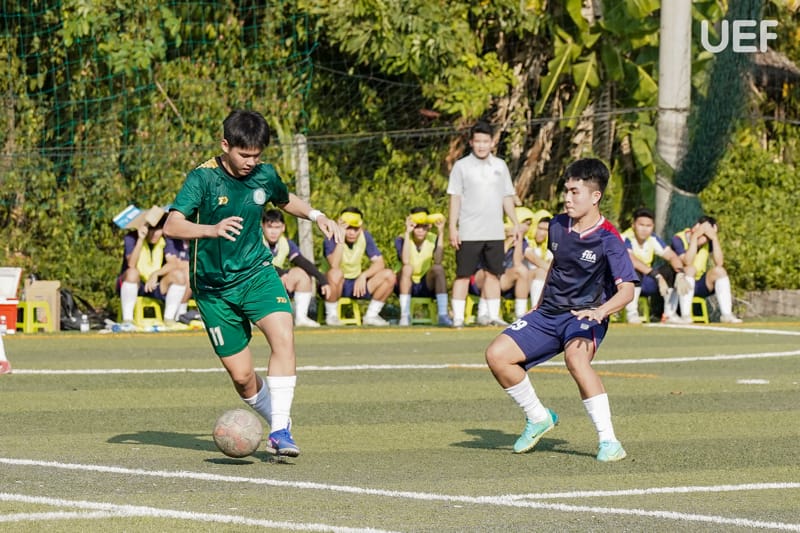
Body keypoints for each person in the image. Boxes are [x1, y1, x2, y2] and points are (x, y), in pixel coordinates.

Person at [163, 109, 342, 458]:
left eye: (256, 155)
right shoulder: (203, 178)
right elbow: (172, 225)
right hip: (213, 289)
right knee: (242, 377)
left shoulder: (264, 174)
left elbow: (285, 200)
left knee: (283, 335)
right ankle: (279, 420)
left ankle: (279, 431)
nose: (251, 162)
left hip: (257, 274)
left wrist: (317, 215)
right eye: (244, 155)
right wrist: (211, 229)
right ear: (225, 145)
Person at [484, 158, 637, 462]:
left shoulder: (609, 238)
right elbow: (558, 264)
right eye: (566, 191)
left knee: (576, 359)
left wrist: (601, 312)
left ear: (595, 196)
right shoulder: (557, 225)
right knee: (496, 355)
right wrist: (538, 305)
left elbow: (627, 291)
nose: (567, 198)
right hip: (548, 313)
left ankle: (609, 441)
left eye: (575, 192)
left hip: (585, 315)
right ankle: (538, 417)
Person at [448, 120, 520, 328]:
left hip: (494, 231)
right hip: (469, 231)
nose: (481, 145)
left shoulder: (500, 166)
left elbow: (507, 196)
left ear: (492, 143)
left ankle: (492, 315)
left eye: (485, 141)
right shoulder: (461, 166)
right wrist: (453, 227)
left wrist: (515, 222)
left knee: (493, 274)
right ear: (471, 142)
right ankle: (458, 317)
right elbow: (455, 198)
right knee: (463, 275)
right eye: (477, 141)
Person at [323, 207, 396, 327]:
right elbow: (334, 265)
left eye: (355, 228)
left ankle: (371, 316)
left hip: (356, 284)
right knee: (335, 273)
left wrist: (363, 276)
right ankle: (332, 316)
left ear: (361, 227)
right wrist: (340, 236)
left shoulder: (365, 236)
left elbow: (380, 263)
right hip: (332, 286)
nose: (352, 232)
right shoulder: (331, 237)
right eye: (348, 228)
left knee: (389, 275)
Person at [117, 208, 188, 331]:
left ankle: (169, 320)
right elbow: (131, 264)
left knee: (179, 275)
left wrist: (156, 274)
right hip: (134, 284)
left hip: (155, 285)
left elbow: (172, 264)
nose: (155, 233)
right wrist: (140, 239)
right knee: (132, 273)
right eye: (151, 229)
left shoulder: (166, 239)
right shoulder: (131, 238)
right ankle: (127, 321)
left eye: (158, 228)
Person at [262, 208, 330, 328]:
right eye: (270, 227)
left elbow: (302, 261)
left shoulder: (286, 243)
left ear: (283, 228)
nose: (273, 231)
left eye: (277, 227)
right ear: (262, 227)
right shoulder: (256, 242)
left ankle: (301, 317)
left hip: (277, 282)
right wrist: (281, 273)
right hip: (258, 284)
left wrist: (322, 279)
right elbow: (261, 263)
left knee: (301, 274)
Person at [671, 216, 742, 323]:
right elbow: (687, 261)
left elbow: (719, 263)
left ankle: (726, 315)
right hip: (681, 283)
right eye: (705, 235)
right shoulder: (678, 239)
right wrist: (695, 238)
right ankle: (685, 316)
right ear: (696, 227)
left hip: (700, 284)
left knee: (720, 271)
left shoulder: (708, 241)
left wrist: (714, 238)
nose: (706, 239)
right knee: (690, 269)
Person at [620, 207, 685, 323]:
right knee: (633, 271)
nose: (644, 229)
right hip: (623, 284)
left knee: (672, 271)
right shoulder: (625, 238)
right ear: (633, 225)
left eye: (648, 226)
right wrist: (657, 276)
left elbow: (672, 256)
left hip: (648, 281)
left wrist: (680, 273)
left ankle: (669, 314)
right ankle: (632, 313)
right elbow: (632, 260)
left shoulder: (653, 238)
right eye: (641, 225)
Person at [394, 207, 452, 326]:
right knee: (407, 268)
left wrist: (441, 233)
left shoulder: (433, 238)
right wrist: (407, 232)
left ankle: (442, 314)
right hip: (405, 283)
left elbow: (438, 260)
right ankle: (405, 315)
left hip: (425, 283)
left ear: (429, 226)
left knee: (438, 269)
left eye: (424, 226)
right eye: (417, 226)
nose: (420, 230)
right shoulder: (401, 238)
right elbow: (405, 260)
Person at [473, 211, 532, 324]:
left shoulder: (523, 241)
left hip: (502, 279)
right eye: (524, 223)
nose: (526, 227)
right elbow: (494, 261)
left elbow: (517, 263)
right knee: (490, 273)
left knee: (522, 271)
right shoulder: (493, 235)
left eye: (528, 224)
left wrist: (518, 240)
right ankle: (483, 314)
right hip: (479, 277)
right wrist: (508, 241)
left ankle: (520, 315)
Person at [524, 211, 553, 310]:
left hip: (539, 281)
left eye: (546, 230)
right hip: (522, 280)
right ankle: (536, 309)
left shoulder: (548, 247)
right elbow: (532, 257)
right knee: (542, 272)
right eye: (540, 228)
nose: (543, 233)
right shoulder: (526, 240)